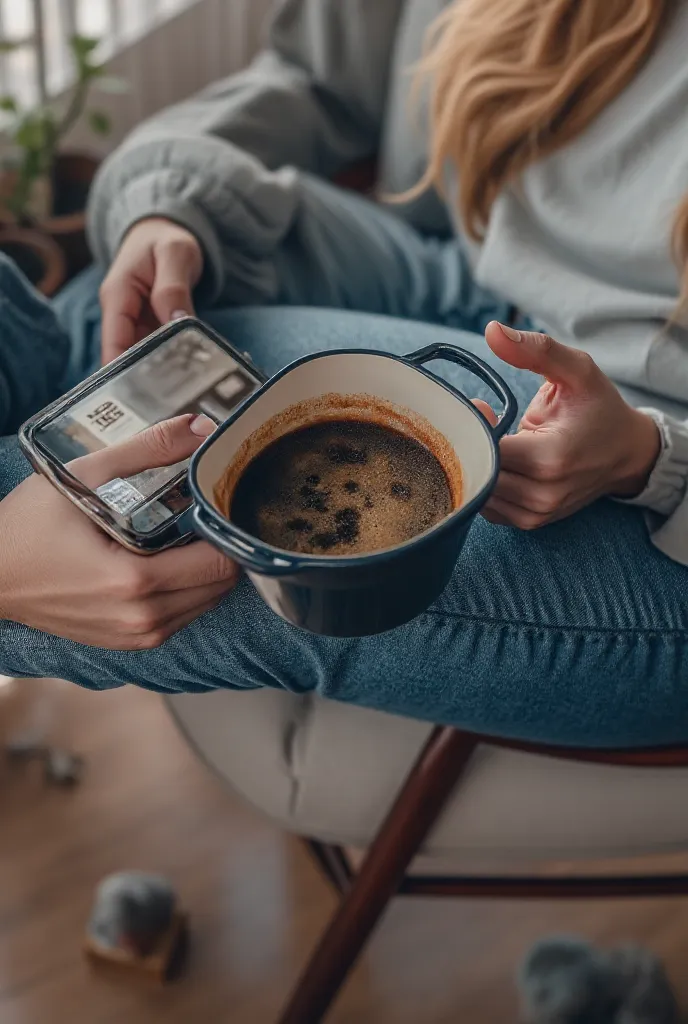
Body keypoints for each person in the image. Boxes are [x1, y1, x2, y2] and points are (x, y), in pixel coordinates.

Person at [1, 0, 688, 749]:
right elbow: (309, 79)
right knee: (77, 325)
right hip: (463, 275)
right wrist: (171, 210)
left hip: (652, 475)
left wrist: (653, 457)